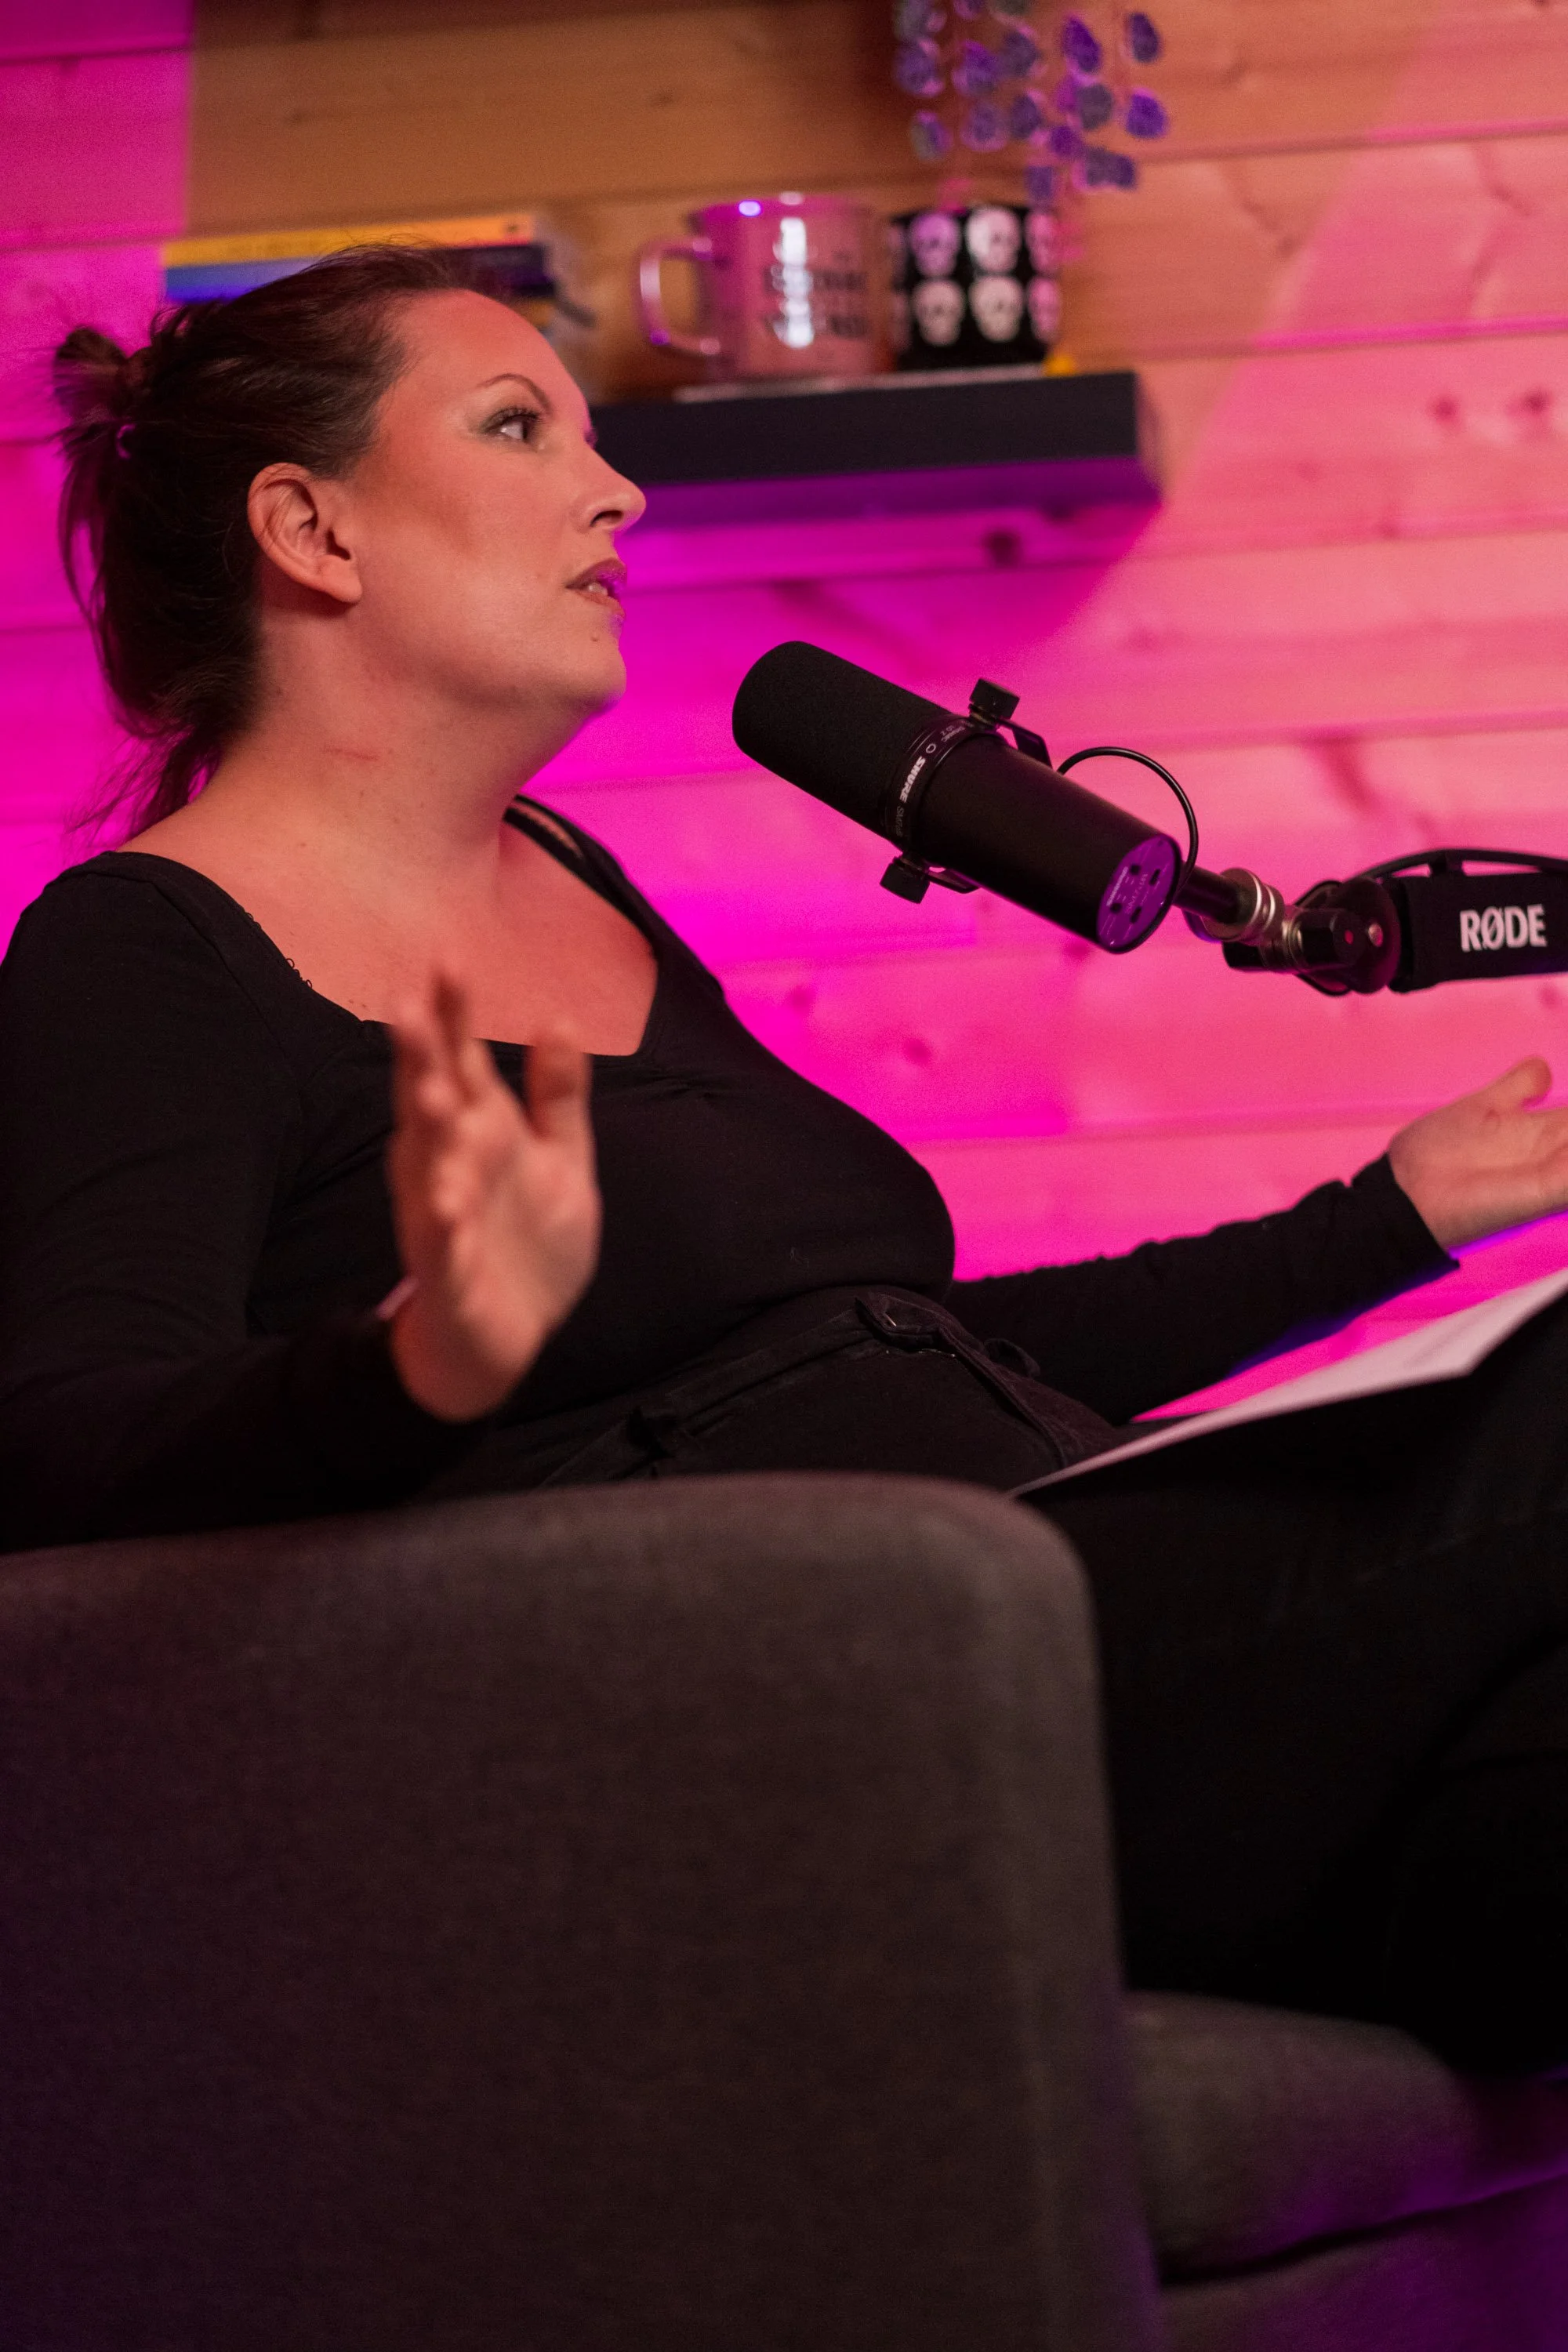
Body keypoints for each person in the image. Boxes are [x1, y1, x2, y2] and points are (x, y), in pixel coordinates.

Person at [5, 246, 1567, 2071]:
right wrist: (400, 1378)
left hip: (1062, 1583)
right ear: (311, 531)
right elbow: (56, 1449)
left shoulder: (584, 891)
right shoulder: (146, 953)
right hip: (802, 1707)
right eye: (520, 427)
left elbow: (906, 1344)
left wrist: (1386, 1222)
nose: (616, 488)